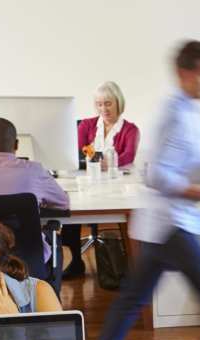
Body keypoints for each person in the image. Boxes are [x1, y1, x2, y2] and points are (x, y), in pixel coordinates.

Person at [90, 41, 200, 340]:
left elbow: (191, 163)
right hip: (170, 222)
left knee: (134, 297)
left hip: (167, 223)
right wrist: (194, 191)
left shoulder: (190, 112)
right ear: (185, 73)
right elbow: (153, 173)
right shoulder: (172, 113)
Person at [65, 82, 141, 278]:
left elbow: (128, 157)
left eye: (108, 103)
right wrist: (103, 160)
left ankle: (125, 268)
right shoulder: (86, 125)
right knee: (70, 209)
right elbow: (79, 153)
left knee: (126, 214)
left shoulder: (131, 130)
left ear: (118, 103)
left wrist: (96, 158)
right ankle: (74, 262)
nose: (103, 109)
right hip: (88, 181)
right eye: (99, 104)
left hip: (117, 185)